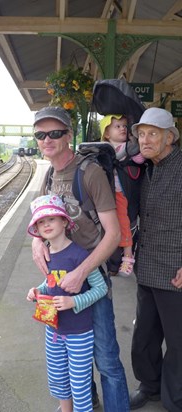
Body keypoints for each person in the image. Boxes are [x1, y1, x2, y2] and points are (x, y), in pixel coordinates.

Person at [31, 106, 130, 412]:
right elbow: (44, 217)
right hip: (57, 280)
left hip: (90, 277)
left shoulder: (90, 173)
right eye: (41, 134)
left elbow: (112, 234)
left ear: (69, 136)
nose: (48, 139)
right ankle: (86, 404)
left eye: (55, 133)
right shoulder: (49, 173)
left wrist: (80, 273)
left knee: (105, 355)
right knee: (70, 351)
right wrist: (37, 240)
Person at [27, 194, 108, 412]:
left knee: (79, 383)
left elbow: (101, 289)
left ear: (64, 222)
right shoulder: (47, 254)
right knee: (58, 377)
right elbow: (51, 281)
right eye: (41, 222)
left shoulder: (79, 255)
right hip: (52, 330)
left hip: (78, 333)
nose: (46, 225)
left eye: (51, 219)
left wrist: (74, 301)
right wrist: (38, 290)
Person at [129, 107, 182, 412]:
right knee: (145, 335)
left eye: (152, 134)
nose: (144, 140)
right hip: (146, 265)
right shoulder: (144, 168)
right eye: (141, 134)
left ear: (169, 138)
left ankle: (174, 400)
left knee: (178, 342)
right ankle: (149, 386)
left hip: (175, 270)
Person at [100, 114, 145, 277]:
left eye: (124, 126)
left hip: (121, 193)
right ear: (106, 133)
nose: (122, 129)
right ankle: (112, 259)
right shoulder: (103, 149)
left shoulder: (129, 146)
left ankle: (127, 255)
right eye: (117, 126)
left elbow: (140, 159)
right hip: (106, 193)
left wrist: (136, 147)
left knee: (124, 223)